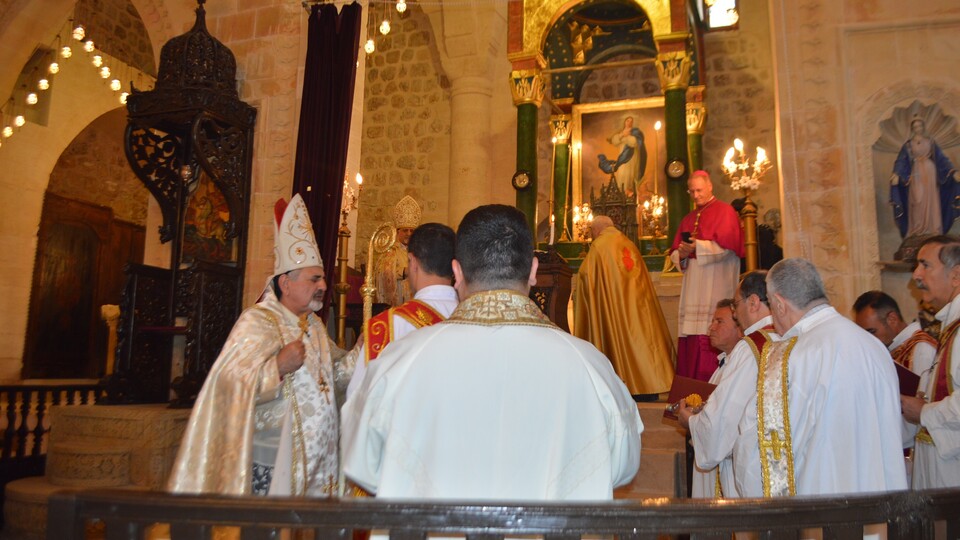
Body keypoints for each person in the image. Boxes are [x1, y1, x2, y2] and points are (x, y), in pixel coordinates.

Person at [341, 204, 642, 500]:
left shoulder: (399, 360)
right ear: (533, 270)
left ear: (456, 272)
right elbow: (623, 466)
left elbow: (361, 463)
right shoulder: (590, 364)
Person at [168, 194, 354, 496]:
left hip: (319, 466)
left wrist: (366, 346)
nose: (323, 286)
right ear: (286, 284)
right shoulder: (258, 321)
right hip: (271, 463)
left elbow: (336, 376)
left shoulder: (316, 326)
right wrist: (276, 368)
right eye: (314, 278)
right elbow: (226, 385)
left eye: (322, 279)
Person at [743, 258, 906, 496]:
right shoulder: (874, 346)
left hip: (826, 510)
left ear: (779, 303)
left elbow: (770, 452)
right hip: (881, 506)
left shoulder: (794, 355)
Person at [679, 270, 776, 498]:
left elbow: (722, 420)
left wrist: (691, 421)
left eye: (736, 303)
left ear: (753, 302)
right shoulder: (784, 338)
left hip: (747, 470)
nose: (735, 310)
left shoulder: (750, 347)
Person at [345, 223, 459, 401]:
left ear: (413, 262)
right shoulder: (478, 319)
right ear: (455, 266)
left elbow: (358, 402)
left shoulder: (384, 329)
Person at [573, 215, 675, 398]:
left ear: (596, 230)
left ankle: (626, 388)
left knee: (620, 343)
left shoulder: (599, 246)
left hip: (615, 309)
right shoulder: (629, 244)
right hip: (639, 309)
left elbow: (586, 276)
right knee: (641, 343)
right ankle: (648, 388)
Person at [670, 170, 744, 381]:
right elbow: (675, 254)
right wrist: (682, 254)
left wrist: (698, 247)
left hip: (716, 285)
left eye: (699, 190)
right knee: (691, 337)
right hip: (694, 288)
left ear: (710, 186)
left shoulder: (725, 212)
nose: (695, 195)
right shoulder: (688, 218)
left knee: (710, 332)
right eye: (691, 191)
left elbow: (728, 249)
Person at [901, 235, 960, 488]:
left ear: (956, 276)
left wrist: (923, 411)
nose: (916, 274)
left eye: (925, 265)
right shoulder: (949, 325)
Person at [686, 299, 741, 498]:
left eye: (719, 321)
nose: (711, 327)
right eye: (712, 321)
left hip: (725, 464)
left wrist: (691, 419)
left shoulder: (739, 367)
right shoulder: (723, 364)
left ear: (740, 328)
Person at [890, 117, 960, 239]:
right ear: (912, 128)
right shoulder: (908, 145)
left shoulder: (930, 142)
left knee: (932, 199)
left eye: (920, 126)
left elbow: (942, 159)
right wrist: (896, 173)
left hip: (930, 171)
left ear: (923, 127)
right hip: (916, 173)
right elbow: (901, 161)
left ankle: (933, 229)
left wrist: (953, 172)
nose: (918, 128)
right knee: (917, 199)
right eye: (915, 126)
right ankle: (917, 230)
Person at [375, 195, 421, 306]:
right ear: (398, 231)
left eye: (411, 230)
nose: (409, 234)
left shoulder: (418, 252)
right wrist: (403, 272)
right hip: (398, 301)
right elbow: (382, 273)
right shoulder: (390, 251)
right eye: (405, 230)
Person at [599, 116, 646, 193]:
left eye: (631, 121)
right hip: (623, 157)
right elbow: (614, 141)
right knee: (622, 173)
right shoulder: (621, 132)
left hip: (632, 157)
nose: (629, 123)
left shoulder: (635, 132)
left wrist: (625, 137)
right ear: (624, 122)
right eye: (628, 121)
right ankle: (622, 193)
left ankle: (631, 193)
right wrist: (622, 135)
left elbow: (634, 143)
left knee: (631, 174)